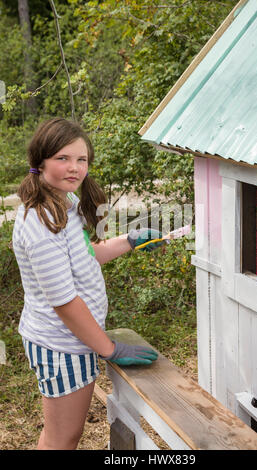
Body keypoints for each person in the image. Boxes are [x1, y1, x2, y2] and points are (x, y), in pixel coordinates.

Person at [12, 117, 162, 450]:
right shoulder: (41, 222)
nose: (74, 168)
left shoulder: (64, 204)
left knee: (66, 435)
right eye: (63, 158)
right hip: (61, 344)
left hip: (74, 340)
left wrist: (129, 240)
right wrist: (109, 349)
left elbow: (84, 254)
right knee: (61, 439)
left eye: (81, 160)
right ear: (40, 161)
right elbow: (64, 303)